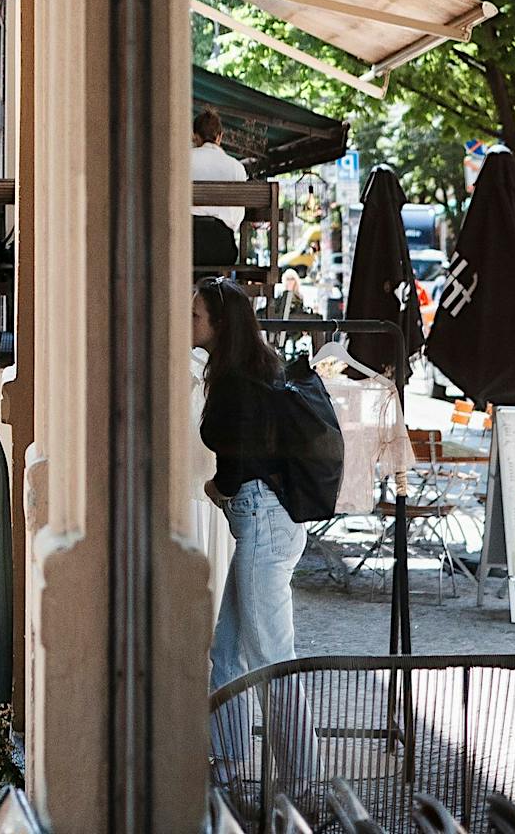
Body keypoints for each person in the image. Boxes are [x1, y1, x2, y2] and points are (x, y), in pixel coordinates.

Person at [195, 276, 312, 775]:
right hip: (266, 520)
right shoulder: (253, 370)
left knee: (270, 658)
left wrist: (219, 487)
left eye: (196, 316)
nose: (187, 323)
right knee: (226, 650)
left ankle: (304, 776)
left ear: (221, 325)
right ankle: (228, 763)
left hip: (263, 520)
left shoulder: (238, 380)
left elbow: (241, 456)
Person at [192, 107, 249, 270]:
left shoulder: (181, 161)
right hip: (222, 247)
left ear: (195, 136)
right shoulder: (237, 167)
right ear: (220, 137)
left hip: (187, 244)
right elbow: (237, 216)